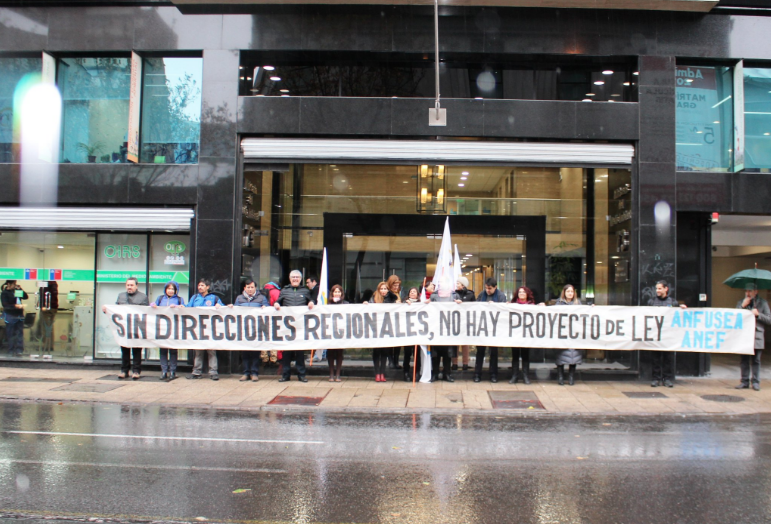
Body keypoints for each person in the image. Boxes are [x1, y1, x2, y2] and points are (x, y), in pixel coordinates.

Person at [102, 277, 148, 379]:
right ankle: (124, 370)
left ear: (136, 286)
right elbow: (115, 309)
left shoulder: (143, 297)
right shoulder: (121, 296)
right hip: (124, 328)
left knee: (136, 351)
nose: (129, 287)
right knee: (124, 350)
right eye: (128, 285)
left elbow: (146, 312)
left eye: (131, 285)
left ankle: (136, 371)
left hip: (136, 328)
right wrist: (106, 310)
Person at [275, 269, 315, 382]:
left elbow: (311, 301)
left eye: (297, 277)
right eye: (293, 277)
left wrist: (312, 303)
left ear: (300, 279)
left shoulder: (305, 291)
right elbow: (278, 301)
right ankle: (285, 375)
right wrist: (276, 304)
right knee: (287, 352)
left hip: (301, 327)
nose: (295, 279)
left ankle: (301, 375)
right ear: (290, 279)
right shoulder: (284, 290)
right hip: (288, 328)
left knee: (300, 353)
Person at [183, 278, 225, 380]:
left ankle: (213, 372)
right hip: (197, 328)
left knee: (211, 351)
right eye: (199, 285)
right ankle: (196, 372)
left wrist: (221, 306)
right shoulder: (194, 298)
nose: (200, 287)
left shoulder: (214, 298)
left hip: (210, 329)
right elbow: (188, 308)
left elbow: (223, 308)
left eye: (202, 285)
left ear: (207, 287)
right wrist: (181, 307)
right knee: (198, 351)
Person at [648, 280, 687, 388]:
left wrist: (682, 308)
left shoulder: (673, 302)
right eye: (656, 288)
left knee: (668, 358)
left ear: (666, 289)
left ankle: (667, 379)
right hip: (656, 334)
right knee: (656, 358)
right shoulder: (651, 302)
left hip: (668, 335)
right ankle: (655, 379)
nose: (657, 291)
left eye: (660, 288)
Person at [228, 279, 269, 382]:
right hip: (244, 330)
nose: (250, 289)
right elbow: (235, 311)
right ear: (244, 288)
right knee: (245, 353)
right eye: (248, 287)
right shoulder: (239, 298)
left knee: (255, 352)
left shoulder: (261, 298)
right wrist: (231, 308)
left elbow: (268, 310)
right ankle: (246, 373)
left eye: (252, 287)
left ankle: (254, 373)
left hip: (256, 330)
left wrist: (266, 307)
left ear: (255, 288)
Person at [735, 284, 771, 391]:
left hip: (757, 335)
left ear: (756, 291)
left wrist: (758, 314)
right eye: (746, 291)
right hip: (744, 335)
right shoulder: (741, 302)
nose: (748, 293)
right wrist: (742, 306)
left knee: (756, 360)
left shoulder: (763, 303)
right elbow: (735, 317)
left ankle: (755, 382)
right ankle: (744, 381)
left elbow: (769, 319)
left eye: (750, 291)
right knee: (744, 360)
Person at [150, 281, 185, 380]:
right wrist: (153, 305)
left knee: (173, 351)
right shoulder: (160, 298)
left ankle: (173, 371)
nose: (170, 291)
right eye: (169, 289)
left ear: (176, 290)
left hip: (174, 328)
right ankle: (164, 371)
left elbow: (184, 309)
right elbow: (152, 306)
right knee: (163, 351)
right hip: (162, 328)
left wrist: (179, 307)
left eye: (172, 289)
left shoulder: (179, 299)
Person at [474, 277, 507, 383]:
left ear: (495, 287)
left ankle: (493, 374)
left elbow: (504, 311)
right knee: (480, 352)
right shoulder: (481, 294)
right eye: (486, 288)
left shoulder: (501, 296)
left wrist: (496, 306)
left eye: (490, 288)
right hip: (482, 328)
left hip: (494, 329)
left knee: (493, 352)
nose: (488, 290)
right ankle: (477, 374)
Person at [429, 278, 461, 382]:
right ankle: (435, 373)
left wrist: (460, 303)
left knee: (448, 354)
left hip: (449, 329)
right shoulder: (434, 296)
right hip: (436, 329)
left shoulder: (454, 295)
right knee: (435, 354)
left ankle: (447, 374)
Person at [366, 281, 398, 382]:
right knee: (376, 352)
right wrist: (365, 304)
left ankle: (382, 373)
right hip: (376, 329)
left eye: (385, 289)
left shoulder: (392, 298)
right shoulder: (374, 299)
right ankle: (377, 373)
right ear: (378, 290)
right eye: (382, 289)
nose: (383, 291)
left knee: (384, 352)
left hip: (387, 329)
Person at [553, 284, 584, 386]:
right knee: (561, 356)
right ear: (564, 292)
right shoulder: (559, 303)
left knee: (573, 356)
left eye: (572, 291)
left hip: (574, 334)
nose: (570, 293)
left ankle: (571, 377)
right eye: (568, 291)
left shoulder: (578, 304)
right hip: (562, 334)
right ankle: (560, 377)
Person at [510, 286, 536, 384]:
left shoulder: (532, 306)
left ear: (527, 294)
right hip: (515, 334)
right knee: (515, 356)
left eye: (523, 292)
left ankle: (525, 376)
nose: (521, 294)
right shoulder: (512, 305)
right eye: (520, 292)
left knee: (525, 355)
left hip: (526, 335)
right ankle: (514, 376)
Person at [452, 276, 475, 371]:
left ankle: (465, 363)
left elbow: (474, 306)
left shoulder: (470, 294)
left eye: (458, 283)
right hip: (455, 321)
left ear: (463, 285)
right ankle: (454, 363)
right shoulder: (453, 294)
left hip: (466, 321)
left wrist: (463, 303)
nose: (456, 284)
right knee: (454, 343)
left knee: (465, 343)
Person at [2, 280, 29, 357]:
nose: (15, 285)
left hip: (19, 314)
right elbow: (5, 305)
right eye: (13, 284)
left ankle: (19, 349)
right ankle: (11, 349)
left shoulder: (16, 291)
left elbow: (25, 297)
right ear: (8, 284)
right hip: (10, 315)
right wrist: (15, 306)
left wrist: (20, 289)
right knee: (10, 333)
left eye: (15, 284)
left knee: (19, 332)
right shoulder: (5, 293)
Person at [327, 284, 348, 382]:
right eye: (335, 292)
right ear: (332, 293)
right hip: (330, 332)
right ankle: (331, 374)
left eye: (339, 292)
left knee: (339, 353)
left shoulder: (346, 304)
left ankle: (338, 374)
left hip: (341, 332)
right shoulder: (327, 304)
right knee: (330, 353)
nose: (337, 293)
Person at [402, 286, 423, 381]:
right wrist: (404, 304)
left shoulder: (420, 303)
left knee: (417, 355)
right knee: (407, 354)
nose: (412, 293)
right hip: (407, 333)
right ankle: (406, 373)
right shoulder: (404, 303)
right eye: (411, 292)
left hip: (417, 333)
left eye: (414, 292)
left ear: (417, 294)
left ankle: (417, 372)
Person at [385, 274, 404, 370]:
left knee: (397, 343)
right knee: (391, 343)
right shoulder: (388, 294)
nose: (396, 287)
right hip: (391, 322)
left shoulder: (397, 294)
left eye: (398, 285)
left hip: (397, 321)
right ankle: (391, 361)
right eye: (394, 285)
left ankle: (395, 361)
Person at [261, 281, 281, 367]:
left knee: (264, 338)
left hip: (264, 319)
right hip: (274, 318)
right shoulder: (276, 292)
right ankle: (273, 358)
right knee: (274, 338)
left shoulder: (262, 291)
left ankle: (264, 358)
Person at [39, 281, 58, 353]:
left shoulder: (46, 284)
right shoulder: (54, 284)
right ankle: (50, 345)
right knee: (50, 327)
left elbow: (43, 296)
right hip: (53, 307)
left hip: (46, 308)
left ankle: (46, 345)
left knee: (45, 327)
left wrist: (43, 306)